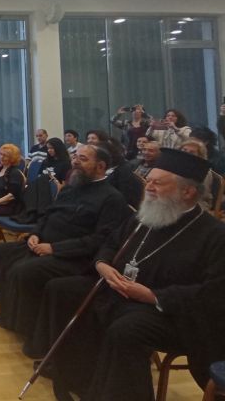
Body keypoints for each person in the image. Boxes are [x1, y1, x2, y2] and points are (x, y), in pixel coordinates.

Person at [40, 149, 225, 401]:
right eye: (148, 180)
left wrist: (152, 296)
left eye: (157, 183)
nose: (148, 187)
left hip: (171, 313)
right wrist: (103, 265)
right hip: (122, 294)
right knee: (62, 290)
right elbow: (110, 244)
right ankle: (77, 379)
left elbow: (213, 294)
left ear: (188, 192)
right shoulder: (144, 218)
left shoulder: (214, 235)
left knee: (126, 329)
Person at [0, 144, 129, 345]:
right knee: (0, 253)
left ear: (101, 166)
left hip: (74, 256)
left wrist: (54, 249)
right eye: (75, 157)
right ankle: (9, 314)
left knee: (24, 270)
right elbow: (48, 214)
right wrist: (35, 234)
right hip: (44, 243)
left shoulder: (112, 198)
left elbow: (100, 240)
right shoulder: (71, 187)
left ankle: (28, 327)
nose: (75, 162)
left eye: (83, 159)